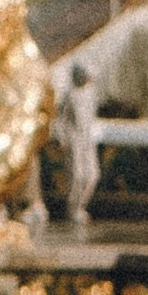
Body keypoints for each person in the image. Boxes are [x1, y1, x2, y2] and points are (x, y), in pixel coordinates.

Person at [54, 58, 100, 223]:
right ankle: (74, 209)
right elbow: (60, 119)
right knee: (77, 175)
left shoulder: (91, 93)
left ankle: (82, 205)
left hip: (88, 140)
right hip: (74, 139)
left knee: (93, 175)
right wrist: (61, 138)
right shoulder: (70, 95)